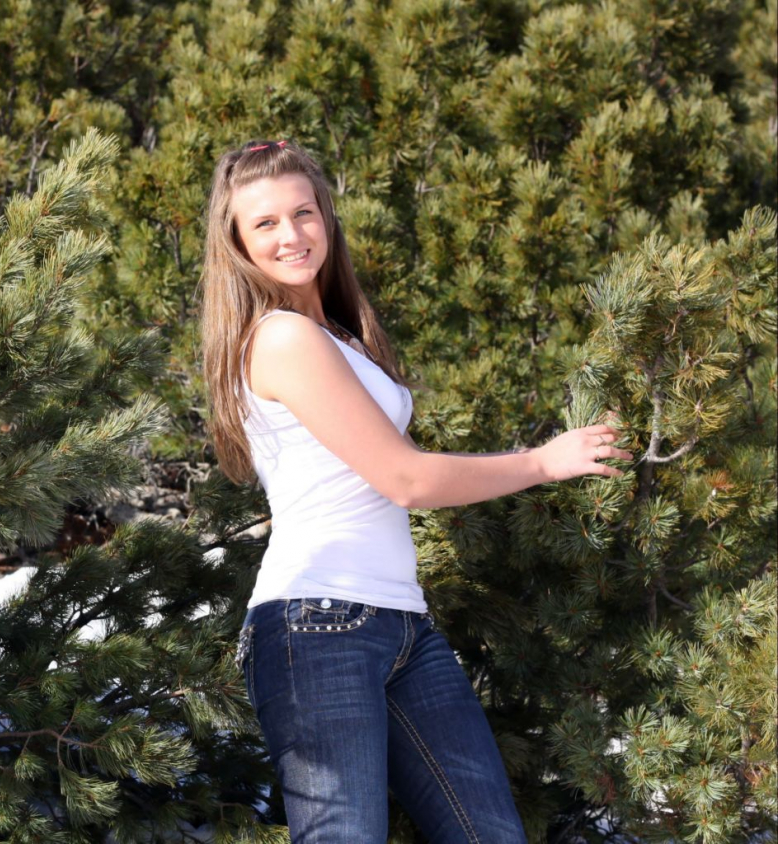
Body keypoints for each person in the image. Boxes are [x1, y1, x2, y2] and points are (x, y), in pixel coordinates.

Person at [197, 139, 633, 844]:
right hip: (316, 625)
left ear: (326, 217)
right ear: (238, 243)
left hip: (401, 624)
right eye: (265, 223)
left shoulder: (337, 336)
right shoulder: (281, 338)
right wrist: (542, 462)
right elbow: (406, 478)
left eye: (303, 213)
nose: (291, 235)